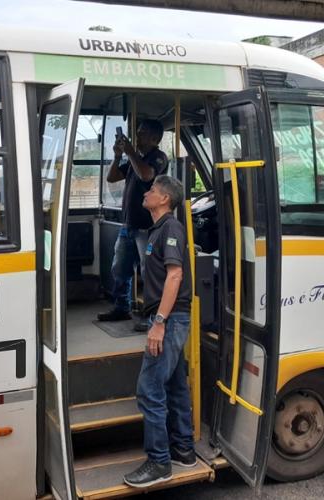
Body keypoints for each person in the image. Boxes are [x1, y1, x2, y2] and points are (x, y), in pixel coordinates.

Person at [123, 175, 195, 488]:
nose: (147, 192)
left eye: (152, 190)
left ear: (164, 199)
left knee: (149, 388)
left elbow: (175, 275)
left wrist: (160, 323)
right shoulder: (157, 229)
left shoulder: (171, 228)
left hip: (171, 318)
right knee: (176, 386)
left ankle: (159, 462)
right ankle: (184, 450)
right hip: (168, 317)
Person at [97, 119, 168, 330]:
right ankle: (122, 307)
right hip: (128, 224)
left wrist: (130, 152)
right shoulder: (136, 158)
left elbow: (146, 174)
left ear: (155, 138)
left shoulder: (158, 158)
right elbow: (111, 178)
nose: (137, 137)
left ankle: (153, 316)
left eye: (142, 133)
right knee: (119, 268)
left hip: (148, 227)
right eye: (137, 133)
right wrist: (119, 155)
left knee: (149, 273)